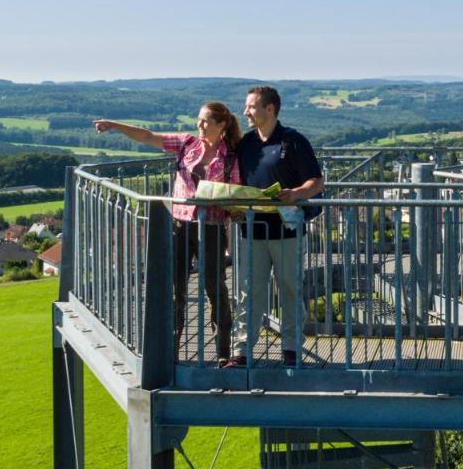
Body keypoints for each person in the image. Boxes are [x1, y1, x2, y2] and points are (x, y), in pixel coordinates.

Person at [93, 103, 242, 361]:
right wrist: (114, 125)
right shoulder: (187, 144)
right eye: (199, 120)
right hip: (181, 225)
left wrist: (234, 208)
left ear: (222, 124)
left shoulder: (231, 156)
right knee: (176, 288)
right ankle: (170, 350)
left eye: (205, 121)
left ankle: (222, 352)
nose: (200, 125)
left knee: (215, 288)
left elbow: (236, 193)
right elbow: (148, 136)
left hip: (212, 227)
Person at [226, 85, 324, 367]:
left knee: (289, 289)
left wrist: (295, 194)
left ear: (270, 109)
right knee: (248, 292)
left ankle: (291, 350)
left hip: (287, 229)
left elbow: (316, 182)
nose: (245, 111)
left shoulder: (292, 141)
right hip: (251, 230)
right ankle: (241, 351)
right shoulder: (246, 144)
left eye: (251, 107)